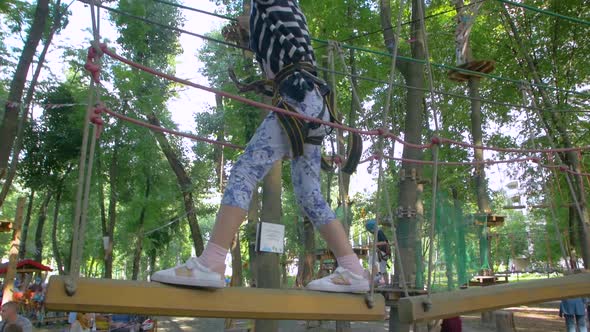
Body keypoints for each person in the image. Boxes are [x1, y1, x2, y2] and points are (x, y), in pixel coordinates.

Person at [151, 0, 369, 293]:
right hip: (311, 99)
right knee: (309, 194)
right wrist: (248, 32)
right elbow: (267, 41)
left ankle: (212, 262)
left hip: (298, 94)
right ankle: (353, 269)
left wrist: (248, 23)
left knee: (245, 170)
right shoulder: (283, 14)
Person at [365, 219, 391, 285]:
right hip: (383, 253)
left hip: (383, 253)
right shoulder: (378, 233)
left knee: (371, 259)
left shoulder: (379, 232)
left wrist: (374, 244)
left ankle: (377, 276)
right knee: (383, 269)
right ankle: (386, 283)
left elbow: (385, 242)